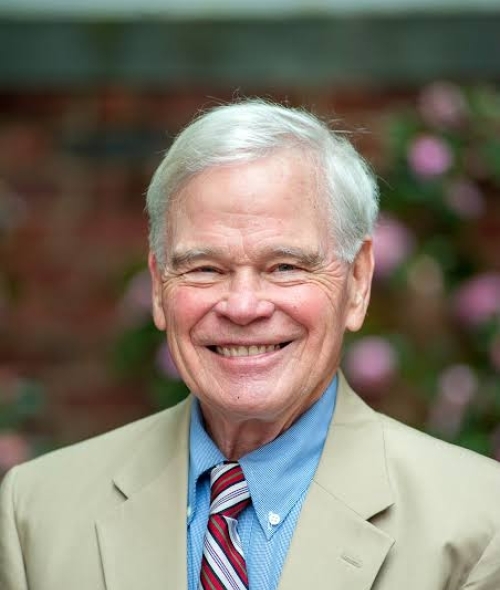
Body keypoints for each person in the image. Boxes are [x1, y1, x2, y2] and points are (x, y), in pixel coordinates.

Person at [1, 99, 499, 590]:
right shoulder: (37, 512)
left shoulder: (480, 521)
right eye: (204, 268)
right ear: (158, 288)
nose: (242, 306)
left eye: (285, 267)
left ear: (359, 282)